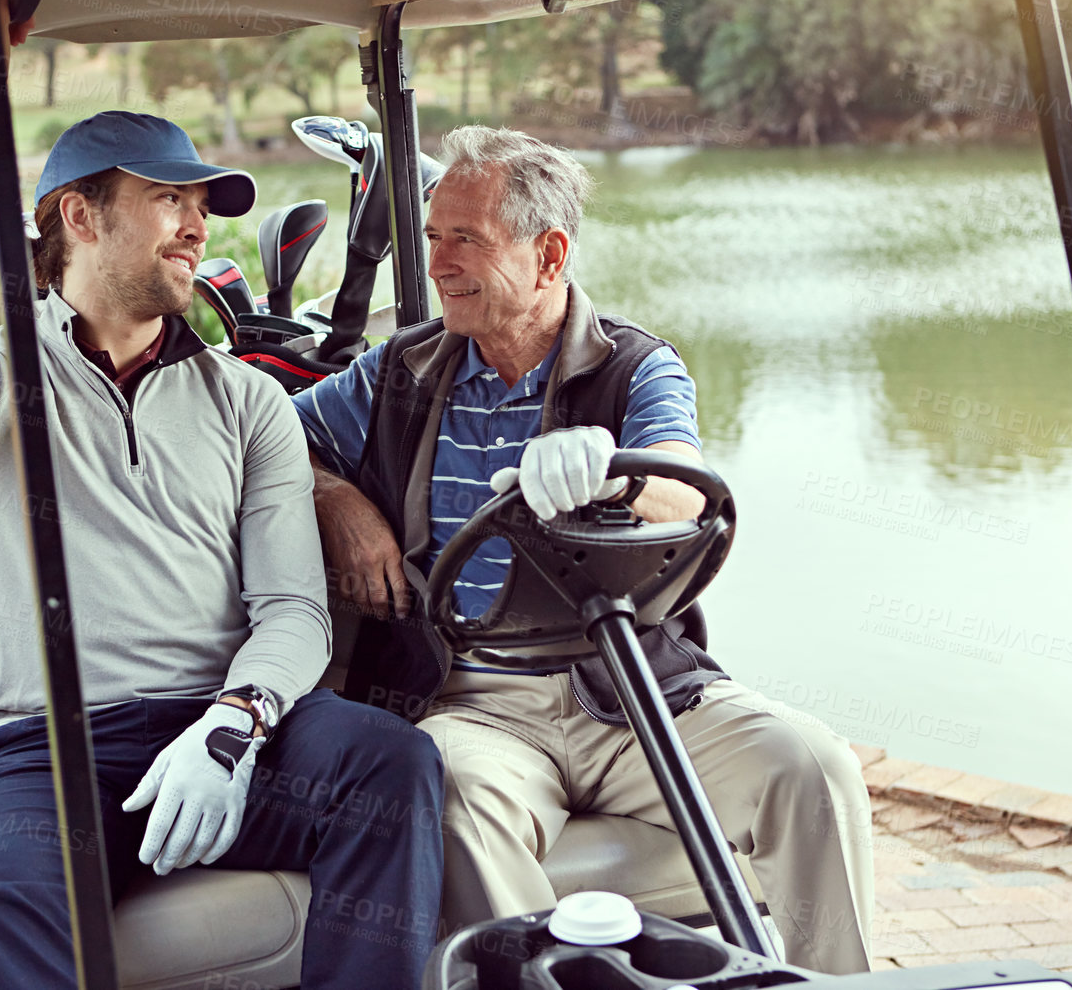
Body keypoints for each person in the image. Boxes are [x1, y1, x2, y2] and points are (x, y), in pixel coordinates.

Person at [0, 0, 442, 990]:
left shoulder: (246, 402)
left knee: (390, 767)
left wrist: (236, 723)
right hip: (40, 756)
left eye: (203, 206)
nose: (196, 227)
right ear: (79, 216)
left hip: (216, 727)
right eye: (170, 200)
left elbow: (291, 610)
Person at [293, 125, 873, 974]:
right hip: (472, 700)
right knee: (449, 797)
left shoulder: (636, 368)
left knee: (813, 765)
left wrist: (614, 479)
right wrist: (337, 496)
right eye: (432, 237)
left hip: (627, 692)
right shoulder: (400, 370)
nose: (439, 261)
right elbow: (275, 438)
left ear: (550, 254)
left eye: (467, 240)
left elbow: (681, 484)